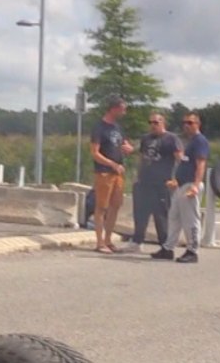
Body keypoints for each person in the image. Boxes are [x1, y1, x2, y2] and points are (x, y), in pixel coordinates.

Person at [153, 111, 210, 263]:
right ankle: (168, 248)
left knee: (190, 220)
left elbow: (200, 164)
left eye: (190, 123)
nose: (186, 125)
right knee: (174, 217)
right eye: (184, 122)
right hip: (181, 185)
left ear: (198, 124)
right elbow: (185, 163)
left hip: (191, 185)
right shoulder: (189, 142)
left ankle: (192, 251)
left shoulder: (200, 141)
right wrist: (176, 181)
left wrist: (196, 186)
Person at [89, 96, 134, 254]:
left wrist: (128, 148)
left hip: (118, 172)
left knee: (115, 206)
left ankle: (108, 240)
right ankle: (99, 242)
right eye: (122, 109)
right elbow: (95, 153)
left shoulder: (118, 128)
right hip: (104, 172)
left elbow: (123, 143)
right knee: (101, 207)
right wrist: (111, 164)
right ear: (113, 108)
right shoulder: (99, 127)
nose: (124, 112)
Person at [131, 111, 181, 252]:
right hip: (144, 181)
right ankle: (137, 242)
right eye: (150, 122)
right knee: (140, 213)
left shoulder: (171, 139)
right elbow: (141, 157)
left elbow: (179, 159)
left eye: (156, 122)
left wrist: (176, 179)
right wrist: (136, 175)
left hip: (162, 183)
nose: (152, 125)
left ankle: (165, 245)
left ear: (162, 123)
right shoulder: (145, 138)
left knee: (161, 215)